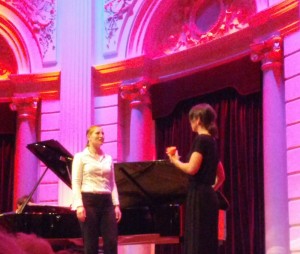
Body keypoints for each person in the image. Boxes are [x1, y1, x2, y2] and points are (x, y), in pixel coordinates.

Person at [166, 103, 221, 254]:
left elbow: (192, 168)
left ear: (198, 119)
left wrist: (174, 160)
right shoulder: (213, 142)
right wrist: (209, 189)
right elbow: (221, 176)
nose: (190, 123)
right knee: (207, 242)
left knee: (196, 241)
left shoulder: (201, 140)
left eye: (191, 119)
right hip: (209, 197)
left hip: (198, 195)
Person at [72, 125, 122, 254]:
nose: (101, 136)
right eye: (97, 133)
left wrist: (116, 205)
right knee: (90, 243)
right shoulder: (80, 157)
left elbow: (112, 183)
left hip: (106, 202)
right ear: (89, 137)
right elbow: (76, 182)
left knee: (111, 241)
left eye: (103, 133)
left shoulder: (108, 158)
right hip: (89, 201)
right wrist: (78, 205)